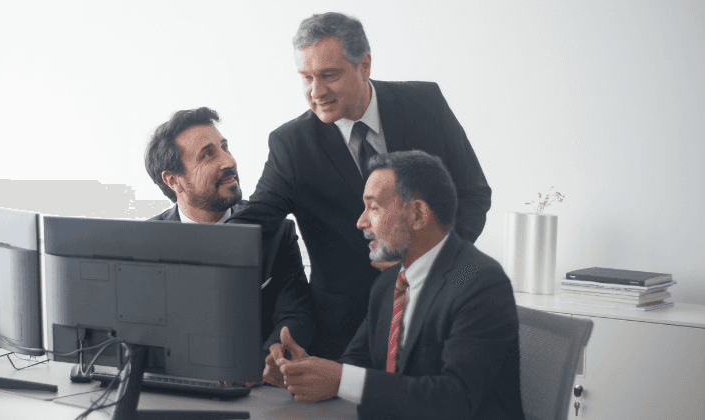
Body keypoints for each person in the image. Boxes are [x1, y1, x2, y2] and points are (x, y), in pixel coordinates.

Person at [229, 12, 492, 362]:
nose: (316, 92)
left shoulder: (425, 104)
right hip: (342, 334)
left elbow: (473, 193)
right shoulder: (291, 145)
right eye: (306, 78)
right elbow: (255, 222)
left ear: (364, 65)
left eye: (329, 75)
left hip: (435, 315)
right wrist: (185, 240)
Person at [264, 150, 523, 419]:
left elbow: (454, 399)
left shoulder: (478, 281)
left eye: (373, 207)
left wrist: (340, 378)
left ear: (418, 214)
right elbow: (355, 365)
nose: (361, 221)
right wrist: (304, 372)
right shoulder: (389, 283)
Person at [144, 107, 315, 365]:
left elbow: (295, 313)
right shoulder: (145, 243)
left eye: (225, 147)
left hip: (255, 383)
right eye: (208, 155)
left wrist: (263, 362)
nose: (229, 161)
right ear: (173, 180)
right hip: (173, 380)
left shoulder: (276, 231)